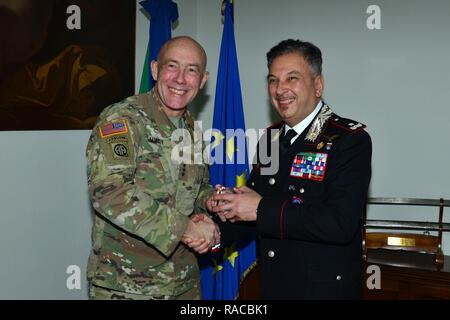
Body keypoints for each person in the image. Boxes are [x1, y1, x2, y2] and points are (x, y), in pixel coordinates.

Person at [205, 39, 372, 299]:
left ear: (318, 85)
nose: (280, 89)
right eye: (273, 80)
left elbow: (339, 224)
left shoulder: (349, 140)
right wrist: (215, 227)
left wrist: (258, 208)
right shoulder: (270, 139)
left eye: (292, 78)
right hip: (274, 286)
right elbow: (254, 214)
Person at [86, 36, 219, 300]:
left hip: (183, 282)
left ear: (202, 80)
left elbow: (195, 188)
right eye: (173, 66)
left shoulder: (190, 127)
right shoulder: (122, 119)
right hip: (127, 286)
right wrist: (186, 229)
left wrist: (212, 205)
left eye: (191, 70)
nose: (181, 79)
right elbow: (110, 192)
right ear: (156, 69)